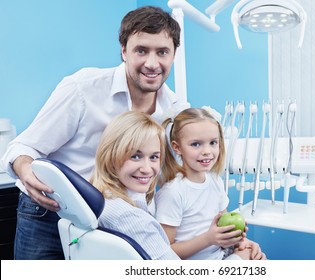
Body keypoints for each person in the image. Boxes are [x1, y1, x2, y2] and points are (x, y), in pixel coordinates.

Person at [0, 6, 181, 260]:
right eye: (141, 50)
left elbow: (175, 173)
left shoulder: (173, 109)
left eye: (162, 52)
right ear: (123, 52)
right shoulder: (83, 89)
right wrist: (26, 170)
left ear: (173, 54)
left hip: (108, 219)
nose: (152, 63)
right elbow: (22, 148)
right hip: (48, 210)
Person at [155, 108, 266, 260]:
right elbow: (164, 253)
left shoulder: (215, 181)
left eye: (213, 142)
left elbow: (222, 229)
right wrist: (208, 239)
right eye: (196, 144)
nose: (207, 151)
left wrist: (240, 241)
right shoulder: (173, 192)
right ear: (177, 147)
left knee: (256, 256)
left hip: (220, 257)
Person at [90, 111, 180, 260]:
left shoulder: (102, 198)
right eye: (135, 156)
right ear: (111, 156)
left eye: (154, 157)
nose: (147, 168)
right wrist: (234, 258)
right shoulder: (128, 217)